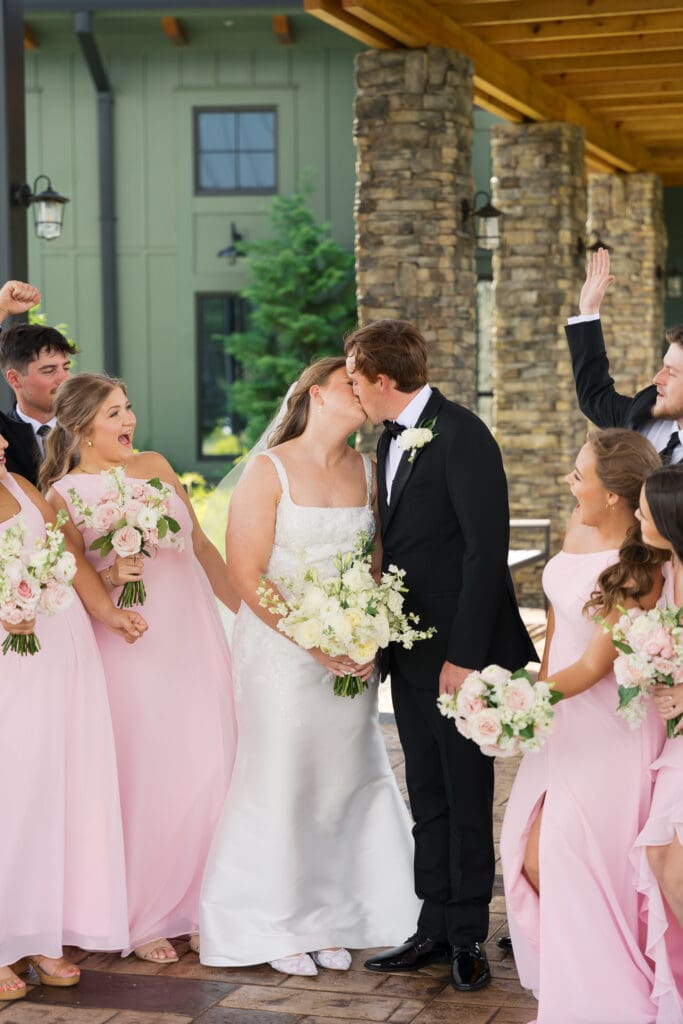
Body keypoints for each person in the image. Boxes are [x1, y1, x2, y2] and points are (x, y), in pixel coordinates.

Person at [200, 357, 420, 977]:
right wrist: (316, 642)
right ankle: (272, 920)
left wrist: (369, 631)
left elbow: (375, 563)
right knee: (283, 778)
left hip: (349, 654)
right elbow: (245, 574)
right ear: (316, 395)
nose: (362, 390)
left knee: (341, 780)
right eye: (350, 382)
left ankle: (334, 914)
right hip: (280, 655)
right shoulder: (268, 470)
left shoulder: (368, 469)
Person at [344, 321, 536, 992]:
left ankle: (465, 936)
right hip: (406, 646)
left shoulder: (463, 435)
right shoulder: (385, 441)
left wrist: (464, 656)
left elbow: (487, 553)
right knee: (423, 788)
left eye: (352, 378)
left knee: (464, 790)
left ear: (381, 381)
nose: (349, 390)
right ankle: (429, 924)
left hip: (459, 648)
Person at [43, 373, 238, 965]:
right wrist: (110, 576)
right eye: (113, 414)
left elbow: (202, 546)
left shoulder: (154, 464)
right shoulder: (62, 496)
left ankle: (209, 903)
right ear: (81, 428)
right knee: (147, 775)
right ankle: (148, 913)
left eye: (128, 408)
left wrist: (247, 613)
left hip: (192, 638)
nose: (128, 422)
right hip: (130, 648)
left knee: (210, 762)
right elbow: (69, 583)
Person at [501, 429, 669, 1024]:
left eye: (580, 474)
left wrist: (512, 698)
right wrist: (533, 703)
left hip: (609, 725)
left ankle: (610, 997)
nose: (570, 482)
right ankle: (581, 983)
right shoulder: (576, 526)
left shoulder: (643, 558)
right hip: (559, 715)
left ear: (616, 495)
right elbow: (557, 630)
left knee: (575, 858)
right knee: (525, 850)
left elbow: (597, 667)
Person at [0, 430, 147, 1001]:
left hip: (63, 649)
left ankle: (37, 932)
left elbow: (67, 557)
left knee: (57, 793)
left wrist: (109, 607)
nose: (2, 448)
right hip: (13, 661)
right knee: (16, 793)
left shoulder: (20, 487)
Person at [632, 465, 683, 1018]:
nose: (639, 516)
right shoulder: (666, 572)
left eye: (646, 510)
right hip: (677, 740)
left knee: (670, 861)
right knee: (660, 854)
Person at [566, 247, 683, 464]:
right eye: (663, 367)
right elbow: (594, 397)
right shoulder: (645, 411)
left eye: (672, 373)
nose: (657, 378)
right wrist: (588, 313)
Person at [0, 306, 74, 484]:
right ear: (15, 379)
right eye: (49, 371)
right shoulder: (2, 434)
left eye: (66, 367)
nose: (64, 379)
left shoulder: (87, 426)